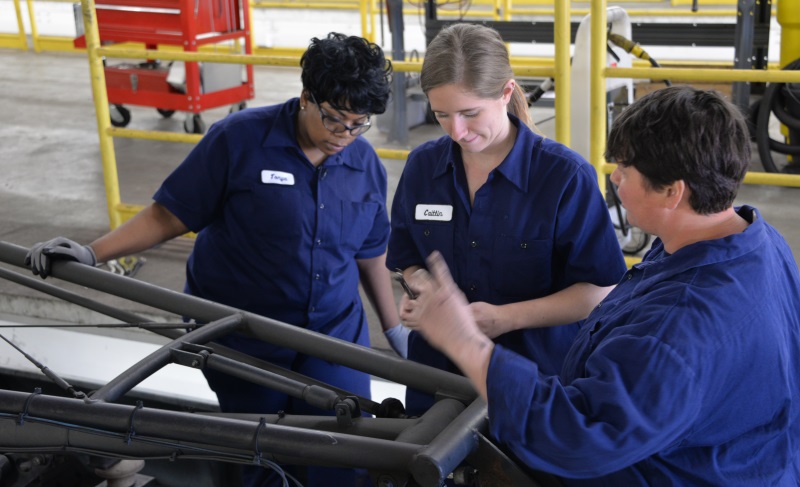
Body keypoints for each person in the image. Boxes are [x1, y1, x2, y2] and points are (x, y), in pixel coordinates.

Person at [26, 32, 403, 486]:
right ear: (306, 98)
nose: (345, 135)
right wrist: (92, 252)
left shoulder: (365, 164)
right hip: (245, 338)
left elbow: (370, 252)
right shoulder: (238, 141)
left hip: (332, 335)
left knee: (345, 453)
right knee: (260, 455)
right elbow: (170, 214)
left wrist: (393, 327)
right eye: (334, 119)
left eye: (359, 124)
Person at [402, 86, 800, 485]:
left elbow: (576, 436)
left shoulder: (679, 327)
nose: (614, 177)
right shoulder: (751, 240)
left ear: (672, 191)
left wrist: (462, 340)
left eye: (626, 170)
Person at [386, 23, 626, 415]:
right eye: (442, 114)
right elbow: (407, 256)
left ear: (506, 92)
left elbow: (599, 290)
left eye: (469, 113)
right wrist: (425, 293)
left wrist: (504, 318)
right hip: (436, 377)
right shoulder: (422, 167)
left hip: (533, 384)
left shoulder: (563, 177)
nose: (457, 131)